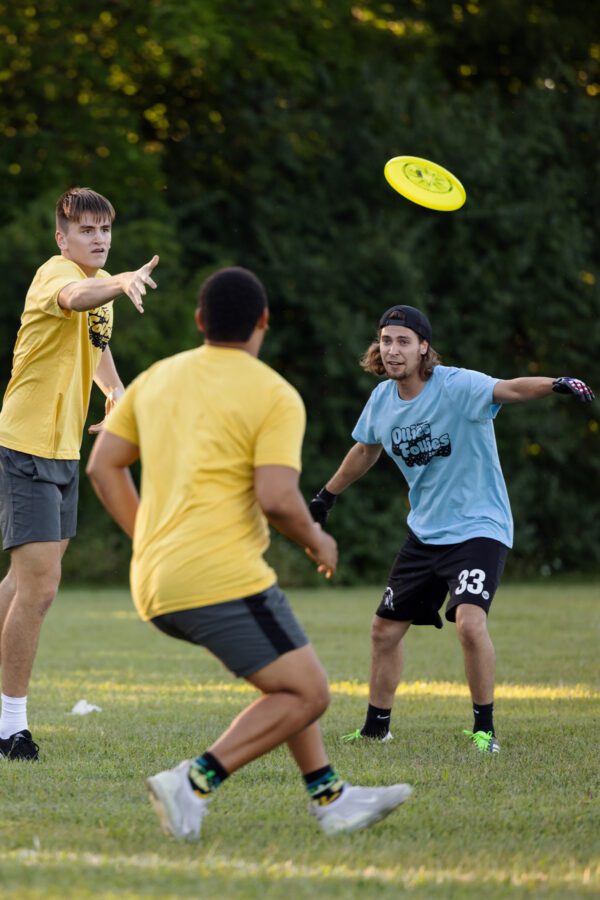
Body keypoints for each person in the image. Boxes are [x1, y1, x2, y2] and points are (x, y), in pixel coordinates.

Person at [86, 267, 412, 840]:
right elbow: (278, 499)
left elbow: (103, 466)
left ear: (198, 321)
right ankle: (192, 782)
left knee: (290, 677)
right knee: (309, 692)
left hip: (158, 581)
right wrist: (319, 539)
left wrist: (148, 541)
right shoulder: (273, 394)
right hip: (221, 577)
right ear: (263, 322)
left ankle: (330, 797)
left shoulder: (157, 378)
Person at [309, 304, 594, 754]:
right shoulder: (382, 399)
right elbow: (365, 450)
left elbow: (508, 390)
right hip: (426, 533)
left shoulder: (457, 385)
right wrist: (326, 497)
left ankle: (484, 732)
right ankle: (376, 729)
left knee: (468, 622)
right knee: (384, 630)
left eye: (404, 341)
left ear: (424, 348)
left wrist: (555, 383)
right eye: (386, 341)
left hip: (479, 526)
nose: (393, 350)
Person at [0, 187, 160, 760]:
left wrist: (115, 391)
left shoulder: (104, 289)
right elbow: (73, 296)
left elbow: (98, 346)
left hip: (65, 449)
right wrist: (116, 282)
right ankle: (10, 726)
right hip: (27, 445)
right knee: (41, 588)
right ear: (61, 237)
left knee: (22, 585)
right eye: (86, 230)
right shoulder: (57, 274)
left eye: (104, 230)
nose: (98, 239)